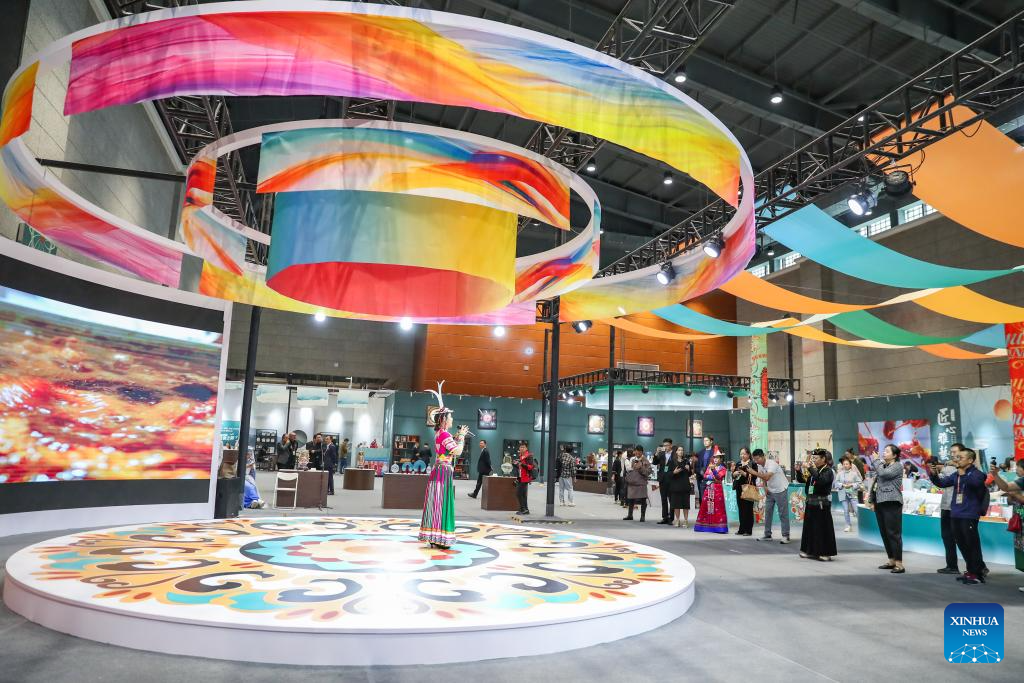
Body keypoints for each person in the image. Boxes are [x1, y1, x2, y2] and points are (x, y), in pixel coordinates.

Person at [927, 447, 988, 584]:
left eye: (960, 457)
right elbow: (942, 483)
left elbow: (974, 483)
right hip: (955, 513)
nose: (957, 459)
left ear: (970, 460)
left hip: (969, 514)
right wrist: (934, 474)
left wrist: (960, 471)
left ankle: (978, 574)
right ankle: (971, 571)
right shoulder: (956, 475)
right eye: (956, 457)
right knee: (962, 544)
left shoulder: (977, 474)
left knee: (972, 544)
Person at [419, 382, 466, 549]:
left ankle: (433, 536)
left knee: (435, 502)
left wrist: (457, 436)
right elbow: (457, 451)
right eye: (450, 417)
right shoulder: (445, 434)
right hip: (443, 472)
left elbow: (447, 449)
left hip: (437, 470)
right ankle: (441, 537)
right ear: (444, 419)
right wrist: (462, 437)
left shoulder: (440, 433)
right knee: (443, 502)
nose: (452, 419)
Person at [989, 458, 1024, 593]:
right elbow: (1008, 493)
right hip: (1020, 522)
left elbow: (1007, 488)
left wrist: (996, 475)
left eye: (1018, 467)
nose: (1016, 470)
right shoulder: (1019, 481)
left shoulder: (1021, 481)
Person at [871, 444, 905, 574]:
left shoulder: (897, 466)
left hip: (892, 502)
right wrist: (872, 500)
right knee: (884, 533)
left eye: (887, 451)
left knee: (893, 533)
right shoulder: (883, 465)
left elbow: (883, 474)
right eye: (884, 451)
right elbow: (875, 484)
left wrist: (876, 460)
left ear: (894, 455)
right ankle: (891, 560)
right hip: (880, 502)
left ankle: (899, 563)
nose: (883, 453)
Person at [800, 449, 837, 561]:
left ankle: (825, 553)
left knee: (822, 529)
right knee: (810, 529)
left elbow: (821, 481)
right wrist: (798, 471)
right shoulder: (815, 470)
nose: (814, 460)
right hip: (811, 502)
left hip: (821, 504)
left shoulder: (828, 471)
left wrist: (811, 469)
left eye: (816, 458)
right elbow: (806, 481)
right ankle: (810, 551)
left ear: (823, 459)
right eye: (813, 458)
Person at [935, 445, 966, 575]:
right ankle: (952, 566)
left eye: (955, 452)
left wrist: (956, 466)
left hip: (959, 508)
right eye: (951, 452)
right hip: (946, 506)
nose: (952, 454)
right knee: (947, 537)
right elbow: (941, 482)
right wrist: (933, 472)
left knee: (963, 538)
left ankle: (978, 567)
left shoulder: (967, 468)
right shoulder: (947, 466)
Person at [749, 450, 791, 544]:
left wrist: (753, 472)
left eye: (757, 459)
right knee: (767, 513)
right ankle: (767, 534)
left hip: (780, 489)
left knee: (783, 513)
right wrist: (765, 487)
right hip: (770, 490)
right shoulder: (760, 465)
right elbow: (763, 478)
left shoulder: (772, 464)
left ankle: (786, 535)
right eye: (754, 459)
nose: (756, 461)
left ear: (763, 456)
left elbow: (767, 477)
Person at [694, 453, 728, 533]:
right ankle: (703, 526)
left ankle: (719, 527)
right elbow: (705, 476)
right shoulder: (710, 466)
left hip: (718, 490)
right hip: (709, 489)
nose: (715, 459)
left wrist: (713, 471)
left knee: (718, 508)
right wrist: (712, 476)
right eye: (714, 458)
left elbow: (719, 477)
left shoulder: (723, 468)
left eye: (717, 458)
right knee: (706, 507)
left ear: (721, 459)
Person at [834, 455, 863, 532]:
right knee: (846, 510)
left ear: (850, 465)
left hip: (853, 494)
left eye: (847, 464)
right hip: (843, 494)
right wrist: (842, 485)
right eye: (844, 464)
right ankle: (848, 525)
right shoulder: (839, 474)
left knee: (856, 510)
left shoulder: (854, 474)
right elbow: (836, 483)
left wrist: (852, 485)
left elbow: (859, 483)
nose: (845, 465)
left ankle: (863, 525)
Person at [624, 447, 651, 522]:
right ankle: (630, 515)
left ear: (642, 452)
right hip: (632, 482)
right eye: (636, 451)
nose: (637, 453)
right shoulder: (632, 459)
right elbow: (630, 469)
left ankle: (642, 516)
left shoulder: (646, 461)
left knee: (643, 500)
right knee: (631, 499)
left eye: (639, 451)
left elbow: (648, 472)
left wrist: (641, 468)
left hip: (641, 483)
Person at [667, 446, 693, 527]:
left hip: (685, 485)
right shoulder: (671, 462)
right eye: (679, 450)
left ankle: (686, 520)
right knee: (676, 505)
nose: (681, 451)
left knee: (686, 505)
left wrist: (689, 469)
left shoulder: (686, 461)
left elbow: (690, 474)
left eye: (682, 450)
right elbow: (667, 473)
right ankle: (677, 520)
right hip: (675, 486)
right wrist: (674, 472)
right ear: (676, 451)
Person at [732, 447, 756, 536]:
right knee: (741, 509)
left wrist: (744, 473)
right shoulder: (738, 463)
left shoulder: (752, 464)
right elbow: (734, 475)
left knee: (748, 509)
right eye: (741, 454)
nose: (742, 455)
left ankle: (748, 530)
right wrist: (734, 474)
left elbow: (754, 476)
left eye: (744, 454)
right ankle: (741, 529)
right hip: (739, 488)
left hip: (748, 488)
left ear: (748, 454)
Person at [654, 438, 674, 524]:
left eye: (667, 445)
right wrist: (656, 453)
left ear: (671, 445)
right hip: (662, 479)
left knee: (671, 499)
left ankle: (671, 518)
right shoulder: (661, 454)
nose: (665, 447)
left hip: (672, 479)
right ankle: (664, 517)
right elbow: (655, 462)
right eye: (664, 445)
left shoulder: (674, 454)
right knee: (663, 499)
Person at [695, 436, 719, 504]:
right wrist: (700, 471)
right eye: (704, 441)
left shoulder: (715, 452)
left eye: (707, 440)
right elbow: (697, 466)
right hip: (701, 477)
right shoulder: (700, 452)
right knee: (702, 497)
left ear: (711, 442)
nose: (705, 442)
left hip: (711, 477)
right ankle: (702, 510)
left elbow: (718, 464)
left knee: (711, 497)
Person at [516, 443, 536, 515]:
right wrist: (516, 464)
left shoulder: (529, 456)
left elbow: (530, 467)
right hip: (521, 477)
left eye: (523, 447)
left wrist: (522, 464)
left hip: (525, 477)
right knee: (523, 494)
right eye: (520, 447)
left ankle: (523, 509)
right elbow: (520, 468)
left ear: (526, 448)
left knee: (518, 493)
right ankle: (525, 510)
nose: (521, 448)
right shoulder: (521, 456)